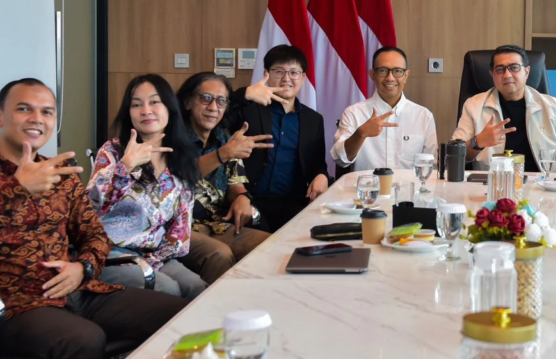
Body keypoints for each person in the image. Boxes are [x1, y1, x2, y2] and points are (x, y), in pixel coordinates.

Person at [0, 79, 187, 359]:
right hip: (13, 307)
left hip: (78, 291)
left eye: (47, 112)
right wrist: (17, 190)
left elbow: (95, 235)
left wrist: (82, 267)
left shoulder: (61, 175)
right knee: (83, 340)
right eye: (24, 109)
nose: (37, 119)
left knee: (178, 315)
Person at [88, 75, 206, 300]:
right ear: (128, 113)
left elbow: (180, 229)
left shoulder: (182, 158)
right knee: (167, 289)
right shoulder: (113, 151)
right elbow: (89, 206)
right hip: (107, 252)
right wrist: (125, 167)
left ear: (169, 108)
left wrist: (153, 260)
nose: (145, 110)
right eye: (136, 104)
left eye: (154, 102)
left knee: (197, 288)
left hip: (155, 254)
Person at [176, 73, 271, 284]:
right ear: (188, 102)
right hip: (180, 228)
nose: (213, 107)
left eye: (221, 101)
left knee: (269, 246)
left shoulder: (224, 138)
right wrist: (224, 154)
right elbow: (180, 177)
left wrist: (242, 198)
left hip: (216, 225)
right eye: (205, 98)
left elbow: (236, 184)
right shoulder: (172, 138)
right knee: (220, 254)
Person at [225, 45, 330, 231]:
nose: (286, 78)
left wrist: (322, 175)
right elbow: (216, 116)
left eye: (294, 72)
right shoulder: (248, 109)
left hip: (292, 203)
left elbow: (317, 163)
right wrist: (246, 93)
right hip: (247, 199)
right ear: (266, 74)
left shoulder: (313, 120)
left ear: (303, 77)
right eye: (279, 71)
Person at [453, 45, 556, 173]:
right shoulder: (474, 105)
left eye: (514, 68)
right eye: (500, 69)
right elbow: (453, 156)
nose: (507, 75)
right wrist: (478, 142)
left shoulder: (552, 106)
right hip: (492, 184)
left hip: (542, 184)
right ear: (492, 74)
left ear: (527, 72)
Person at [332, 47, 438, 172]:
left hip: (409, 185)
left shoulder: (424, 116)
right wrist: (360, 134)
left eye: (397, 71)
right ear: (372, 75)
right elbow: (340, 160)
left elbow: (432, 167)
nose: (390, 78)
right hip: (367, 184)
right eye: (383, 71)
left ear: (406, 76)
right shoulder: (354, 113)